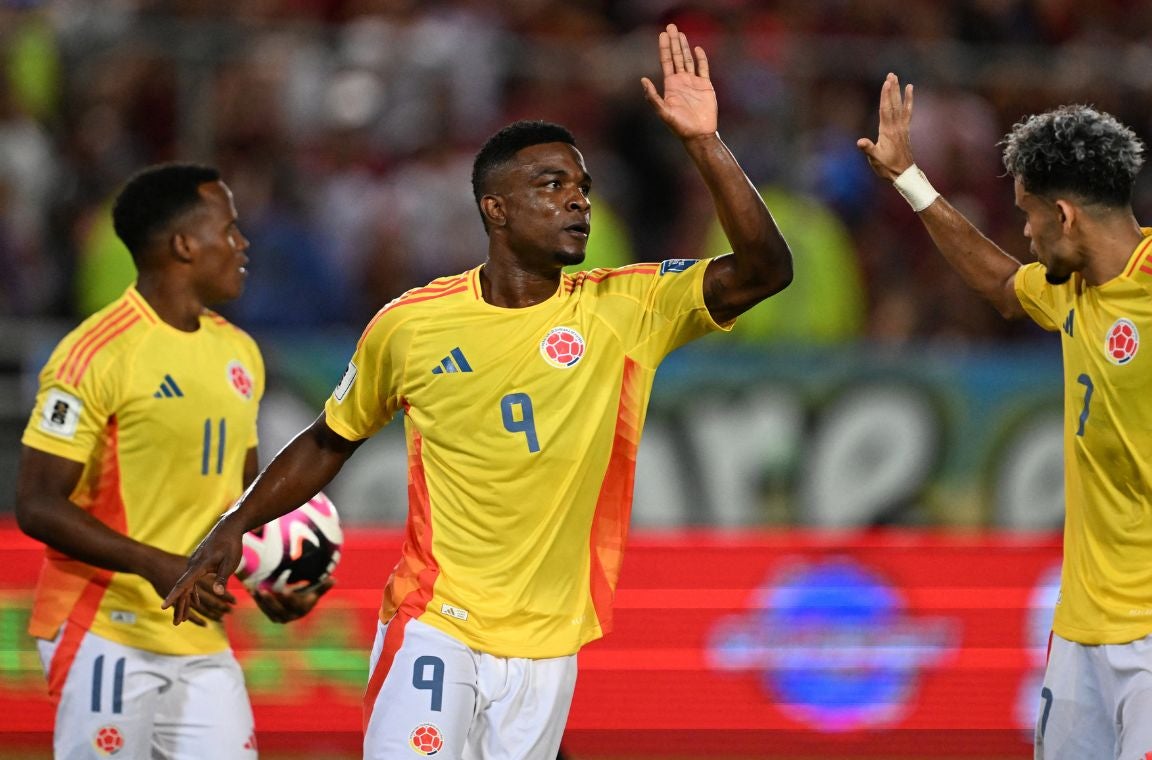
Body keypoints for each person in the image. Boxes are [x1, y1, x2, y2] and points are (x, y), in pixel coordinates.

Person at [164, 24, 791, 760]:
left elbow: (764, 271)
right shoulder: (414, 324)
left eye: (582, 187)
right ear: (496, 209)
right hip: (439, 620)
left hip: (549, 644)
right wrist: (235, 525)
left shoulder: (628, 307)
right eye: (551, 185)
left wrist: (704, 143)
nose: (577, 202)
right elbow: (332, 438)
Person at [856, 74, 1152, 759]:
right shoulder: (1073, 289)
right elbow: (1003, 286)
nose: (1023, 232)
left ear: (1064, 216)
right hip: (1079, 636)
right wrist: (909, 180)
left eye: (1026, 215)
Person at [15, 163, 329, 760]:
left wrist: (273, 575)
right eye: (230, 229)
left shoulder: (240, 351)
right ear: (184, 244)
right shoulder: (94, 354)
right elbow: (36, 503)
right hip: (103, 628)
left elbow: (243, 497)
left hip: (197, 634)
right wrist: (155, 564)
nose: (244, 244)